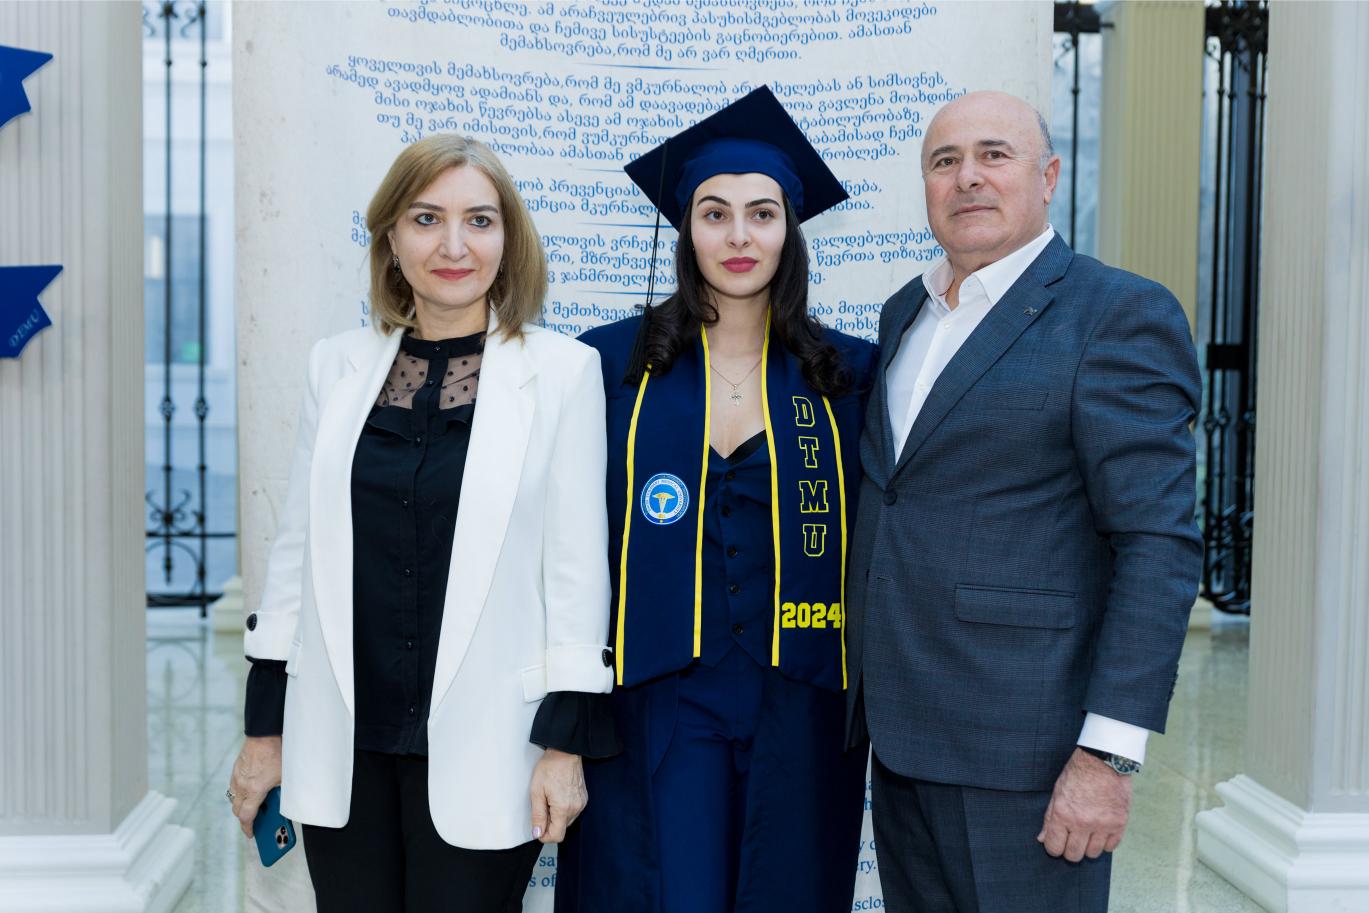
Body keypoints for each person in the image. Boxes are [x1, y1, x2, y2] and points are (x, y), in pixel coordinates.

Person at [225, 134, 618, 913]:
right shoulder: (334, 366)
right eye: (426, 218)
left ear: (508, 240)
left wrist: (565, 745)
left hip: (489, 747)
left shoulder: (563, 373)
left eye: (479, 221)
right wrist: (264, 732)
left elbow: (578, 574)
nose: (452, 245)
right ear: (390, 238)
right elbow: (296, 553)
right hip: (340, 742)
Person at [844, 90, 1203, 912]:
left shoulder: (1116, 314)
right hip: (899, 738)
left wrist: (1106, 755)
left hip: (1030, 753)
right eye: (944, 161)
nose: (967, 177)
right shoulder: (905, 313)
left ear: (1047, 177)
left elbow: (1156, 543)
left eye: (993, 155)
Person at [555, 87, 876, 913]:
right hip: (654, 696)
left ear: (789, 231)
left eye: (761, 214)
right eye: (714, 213)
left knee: (788, 890)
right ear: (685, 230)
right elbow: (563, 545)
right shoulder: (608, 364)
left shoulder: (848, 373)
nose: (738, 236)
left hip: (802, 694)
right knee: (664, 891)